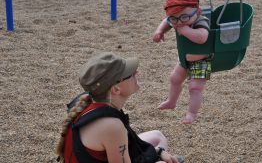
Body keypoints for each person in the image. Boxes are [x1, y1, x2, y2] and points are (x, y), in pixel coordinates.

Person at [55, 52, 183, 163]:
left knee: (157, 137)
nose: (136, 72)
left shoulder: (92, 101)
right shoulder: (112, 126)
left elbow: (132, 145)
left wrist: (158, 152)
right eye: (130, 74)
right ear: (116, 89)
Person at [153, 0, 211, 124]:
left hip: (201, 60)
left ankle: (191, 114)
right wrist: (160, 31)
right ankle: (171, 101)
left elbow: (202, 37)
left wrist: (185, 30)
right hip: (184, 59)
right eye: (174, 18)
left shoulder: (200, 20)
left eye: (184, 17)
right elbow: (166, 21)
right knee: (174, 79)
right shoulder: (178, 19)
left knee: (195, 88)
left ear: (198, 11)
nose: (179, 22)